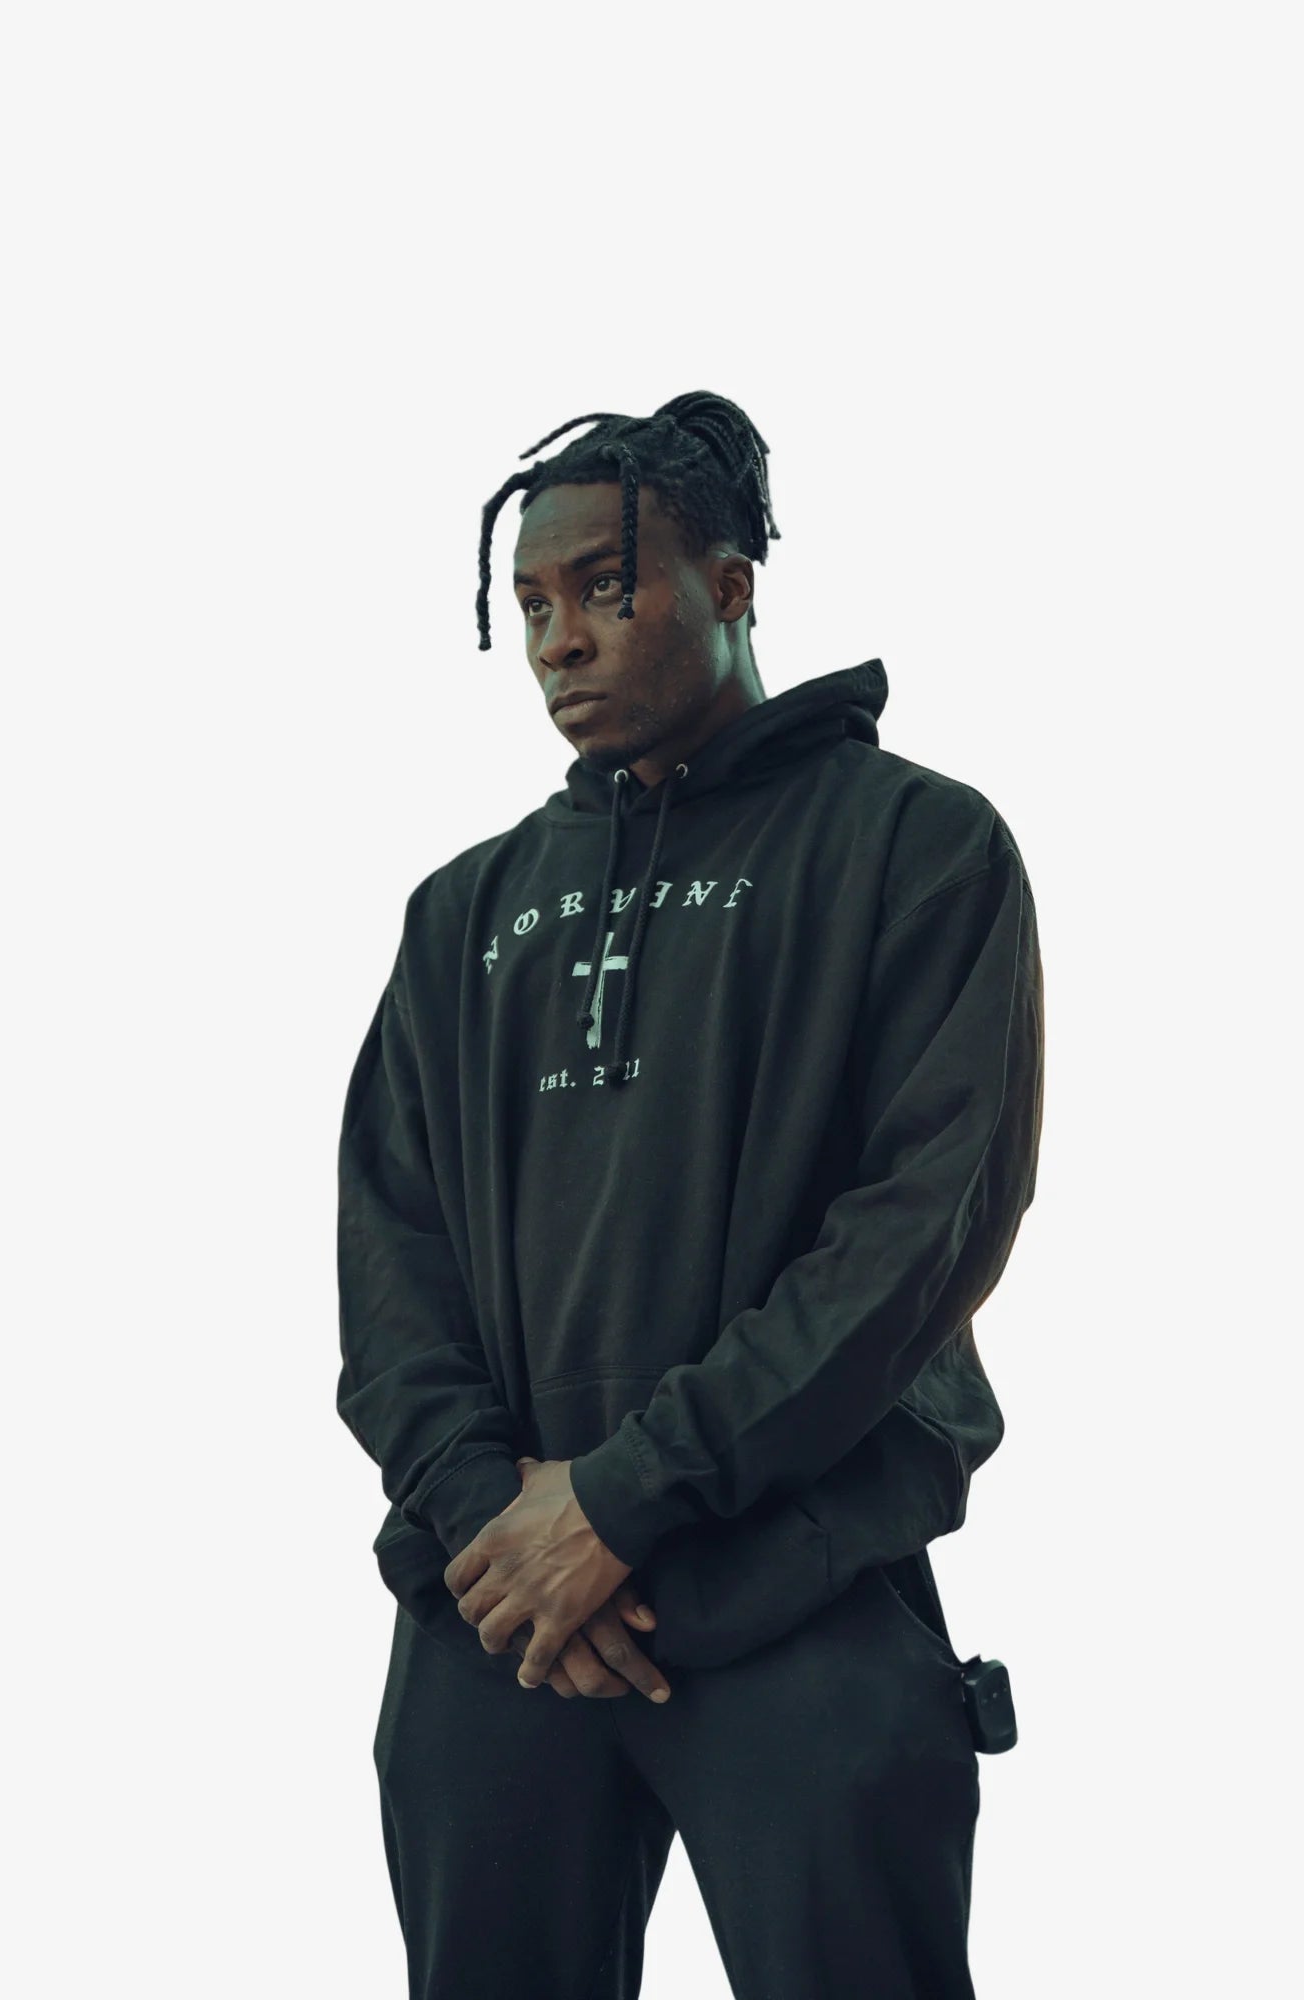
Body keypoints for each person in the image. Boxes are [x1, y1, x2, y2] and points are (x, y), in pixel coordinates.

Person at [336, 390, 1045, 1998]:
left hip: (800, 1590)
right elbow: (389, 1257)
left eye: (605, 587)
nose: (560, 642)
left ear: (730, 587)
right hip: (500, 1617)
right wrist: (499, 1521)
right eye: (532, 606)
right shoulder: (465, 914)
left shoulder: (918, 847)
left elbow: (923, 1227)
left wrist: (621, 1502)